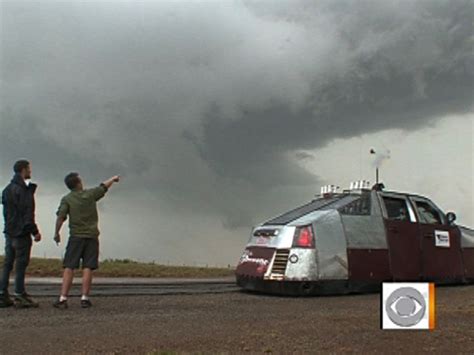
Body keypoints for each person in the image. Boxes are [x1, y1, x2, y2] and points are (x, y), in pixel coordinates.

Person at [53, 173, 120, 309]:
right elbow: (103, 187)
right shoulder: (90, 195)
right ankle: (84, 297)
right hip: (91, 236)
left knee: (69, 266)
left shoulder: (67, 199)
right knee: (88, 267)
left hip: (76, 237)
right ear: (78, 183)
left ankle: (63, 297)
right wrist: (112, 179)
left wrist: (56, 233)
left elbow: (61, 216)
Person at [0, 160, 42, 308]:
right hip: (21, 233)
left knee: (7, 264)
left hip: (9, 232)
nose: (30, 171)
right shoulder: (23, 190)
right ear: (24, 170)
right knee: (21, 265)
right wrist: (35, 232)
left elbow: (7, 212)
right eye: (29, 168)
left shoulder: (7, 189)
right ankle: (19, 294)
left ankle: (2, 294)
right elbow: (27, 214)